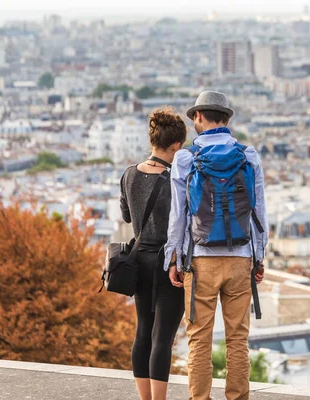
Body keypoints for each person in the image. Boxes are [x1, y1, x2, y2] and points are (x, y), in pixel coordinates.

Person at [164, 91, 268, 400]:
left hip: (201, 260)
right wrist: (259, 257)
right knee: (238, 339)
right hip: (240, 257)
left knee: (199, 339)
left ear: (198, 116)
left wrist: (174, 258)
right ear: (226, 119)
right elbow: (259, 210)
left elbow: (178, 216)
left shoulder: (186, 158)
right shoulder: (248, 155)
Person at [120, 107, 187, 400]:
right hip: (166, 262)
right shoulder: (174, 179)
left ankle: (145, 398)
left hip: (139, 261)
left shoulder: (129, 174)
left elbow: (126, 216)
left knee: (143, 331)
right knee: (163, 337)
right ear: (175, 145)